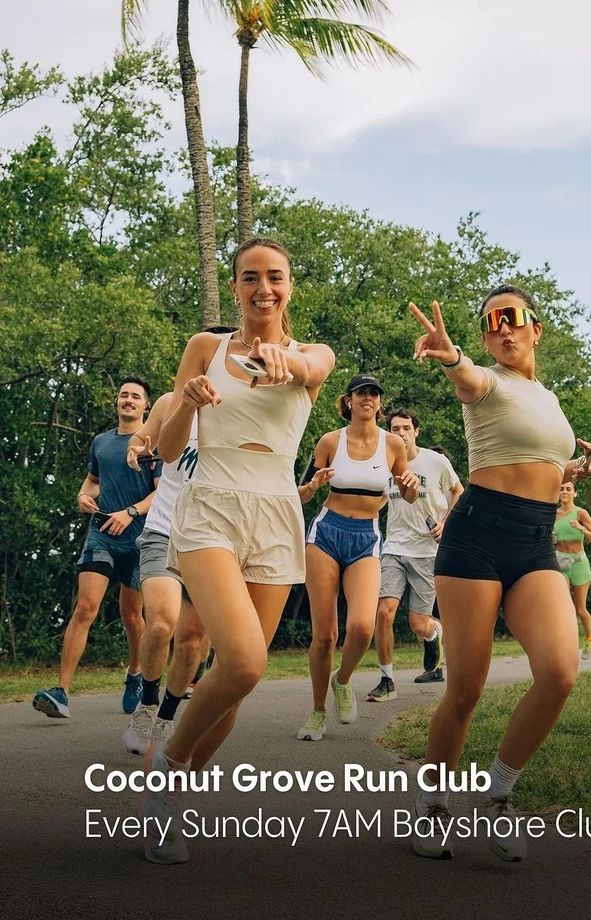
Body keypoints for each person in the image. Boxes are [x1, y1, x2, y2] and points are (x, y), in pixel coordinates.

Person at [141, 237, 334, 864]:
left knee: (235, 685)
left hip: (277, 510)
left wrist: (287, 363)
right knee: (247, 661)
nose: (262, 289)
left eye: (274, 277)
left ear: (290, 285)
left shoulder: (312, 354)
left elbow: (310, 371)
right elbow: (169, 449)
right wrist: (187, 404)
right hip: (212, 503)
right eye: (249, 278)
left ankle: (177, 793)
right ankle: (167, 770)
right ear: (234, 287)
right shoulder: (206, 348)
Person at [408, 287, 591, 863]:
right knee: (465, 689)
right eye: (491, 325)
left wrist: (574, 466)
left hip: (535, 539)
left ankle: (498, 795)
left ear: (536, 329)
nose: (502, 331)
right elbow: (468, 379)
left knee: (560, 674)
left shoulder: (546, 397)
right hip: (477, 538)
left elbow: (536, 460)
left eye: (512, 320)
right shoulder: (485, 382)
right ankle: (434, 805)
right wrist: (450, 356)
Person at [297, 376, 419, 742]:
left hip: (366, 537)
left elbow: (408, 495)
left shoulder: (394, 445)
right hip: (326, 534)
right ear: (348, 401)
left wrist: (411, 491)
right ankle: (317, 712)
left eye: (374, 394)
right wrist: (313, 486)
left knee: (363, 627)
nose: (368, 398)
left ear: (379, 404)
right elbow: (299, 495)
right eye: (361, 393)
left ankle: (343, 680)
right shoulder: (330, 441)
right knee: (325, 635)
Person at [33, 377, 161, 720]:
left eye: (136, 396)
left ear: (146, 405)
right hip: (101, 533)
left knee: (133, 616)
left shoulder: (154, 442)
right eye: (124, 395)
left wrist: (130, 512)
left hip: (138, 539)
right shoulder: (101, 442)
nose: (129, 400)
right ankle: (61, 692)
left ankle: (135, 674)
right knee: (85, 608)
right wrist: (82, 496)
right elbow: (92, 482)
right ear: (117, 402)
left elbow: (162, 493)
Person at [121, 390, 207, 754]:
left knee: (191, 639)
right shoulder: (170, 401)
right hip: (163, 529)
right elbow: (146, 436)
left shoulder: (242, 407)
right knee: (160, 622)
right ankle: (147, 706)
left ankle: (168, 716)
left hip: (210, 538)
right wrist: (137, 445)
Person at [367, 408, 463, 700]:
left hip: (426, 551)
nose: (401, 433)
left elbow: (459, 491)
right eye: (395, 429)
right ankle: (386, 680)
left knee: (417, 624)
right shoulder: (383, 465)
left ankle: (434, 633)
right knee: (383, 613)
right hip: (394, 548)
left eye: (406, 428)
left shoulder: (435, 461)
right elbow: (379, 500)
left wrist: (446, 523)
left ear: (416, 432)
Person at [554, 481, 591, 659]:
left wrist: (582, 529)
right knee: (564, 605)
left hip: (578, 562)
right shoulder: (553, 514)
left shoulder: (581, 513)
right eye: (561, 489)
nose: (564, 492)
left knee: (580, 608)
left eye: (568, 489)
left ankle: (589, 636)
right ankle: (566, 644)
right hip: (560, 561)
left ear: (575, 493)